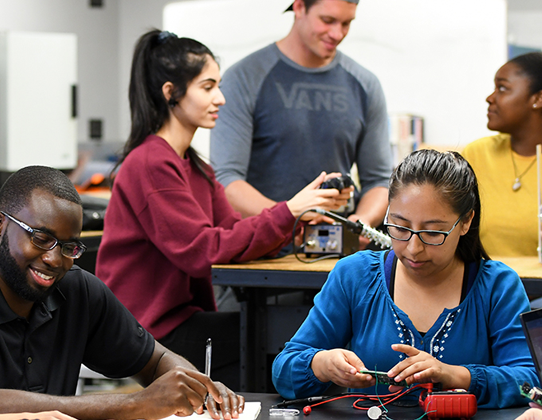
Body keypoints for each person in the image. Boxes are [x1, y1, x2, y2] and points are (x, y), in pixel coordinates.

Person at [95, 29, 347, 388]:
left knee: (285, 336)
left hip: (179, 321)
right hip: (144, 333)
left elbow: (231, 236)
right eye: (208, 86)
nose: (221, 98)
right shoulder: (150, 163)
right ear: (171, 93)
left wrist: (298, 221)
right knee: (278, 340)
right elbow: (203, 251)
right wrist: (288, 211)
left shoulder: (196, 167)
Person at [0, 165, 244, 420]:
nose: (54, 259)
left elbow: (156, 361)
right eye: (41, 238)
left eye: (68, 247)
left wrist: (195, 387)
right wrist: (136, 405)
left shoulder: (76, 290)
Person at [272, 149, 538, 408]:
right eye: (399, 227)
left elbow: (529, 384)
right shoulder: (355, 276)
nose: (413, 248)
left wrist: (453, 375)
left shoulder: (497, 286)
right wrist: (322, 364)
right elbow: (284, 371)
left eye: (433, 233)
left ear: (466, 222)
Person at [210, 0, 392, 245]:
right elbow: (227, 180)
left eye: (346, 23)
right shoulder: (244, 78)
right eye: (327, 21)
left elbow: (379, 180)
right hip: (266, 255)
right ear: (298, 7)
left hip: (338, 252)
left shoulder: (365, 84)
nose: (337, 34)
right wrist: (290, 219)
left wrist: (360, 225)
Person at [462, 52, 542, 257]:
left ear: (538, 98)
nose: (490, 98)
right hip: (485, 285)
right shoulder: (477, 154)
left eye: (503, 88)